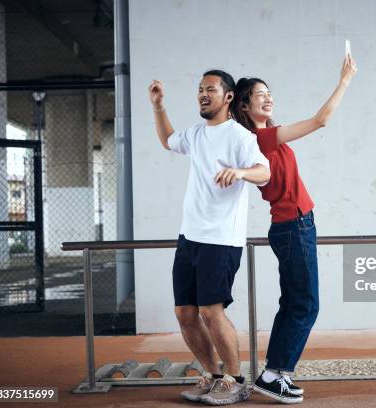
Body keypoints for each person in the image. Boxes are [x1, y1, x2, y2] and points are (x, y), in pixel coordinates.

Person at [231, 54, 357, 403]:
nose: (269, 98)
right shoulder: (262, 139)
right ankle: (273, 374)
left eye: (270, 92)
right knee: (307, 304)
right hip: (293, 226)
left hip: (293, 226)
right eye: (260, 94)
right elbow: (322, 120)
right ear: (244, 105)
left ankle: (276, 373)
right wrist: (345, 79)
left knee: (293, 303)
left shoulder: (265, 138)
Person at [149, 69, 270, 406]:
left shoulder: (240, 137)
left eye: (211, 89)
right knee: (185, 313)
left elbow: (265, 171)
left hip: (221, 238)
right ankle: (213, 375)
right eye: (200, 89)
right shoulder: (197, 134)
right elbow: (168, 140)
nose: (203, 94)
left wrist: (241, 172)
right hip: (190, 237)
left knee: (211, 312)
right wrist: (159, 106)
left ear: (228, 97)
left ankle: (236, 380)